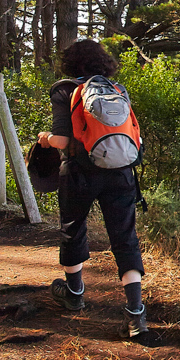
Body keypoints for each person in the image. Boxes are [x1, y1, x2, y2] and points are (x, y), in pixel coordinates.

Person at [38, 40, 153, 340]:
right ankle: (136, 315)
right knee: (125, 238)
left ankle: (75, 293)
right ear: (104, 62)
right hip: (121, 173)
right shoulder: (116, 89)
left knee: (73, 229)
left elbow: (63, 141)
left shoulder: (64, 89)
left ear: (70, 63)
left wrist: (45, 139)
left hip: (79, 173)